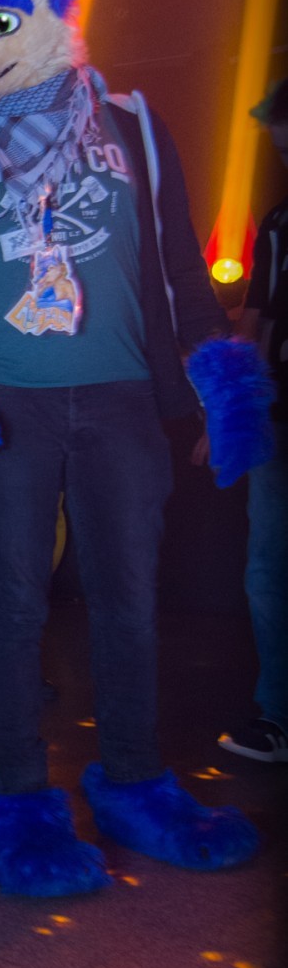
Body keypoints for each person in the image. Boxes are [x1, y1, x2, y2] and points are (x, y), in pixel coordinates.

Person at [0, 0, 266, 897]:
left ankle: (135, 785)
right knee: (12, 602)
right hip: (7, 401)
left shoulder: (133, 126)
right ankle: (21, 801)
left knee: (127, 599)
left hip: (120, 397)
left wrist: (220, 383)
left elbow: (180, 266)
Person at [218, 77, 288, 763]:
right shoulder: (277, 222)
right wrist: (237, 410)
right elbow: (257, 318)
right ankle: (278, 717)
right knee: (267, 568)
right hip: (280, 416)